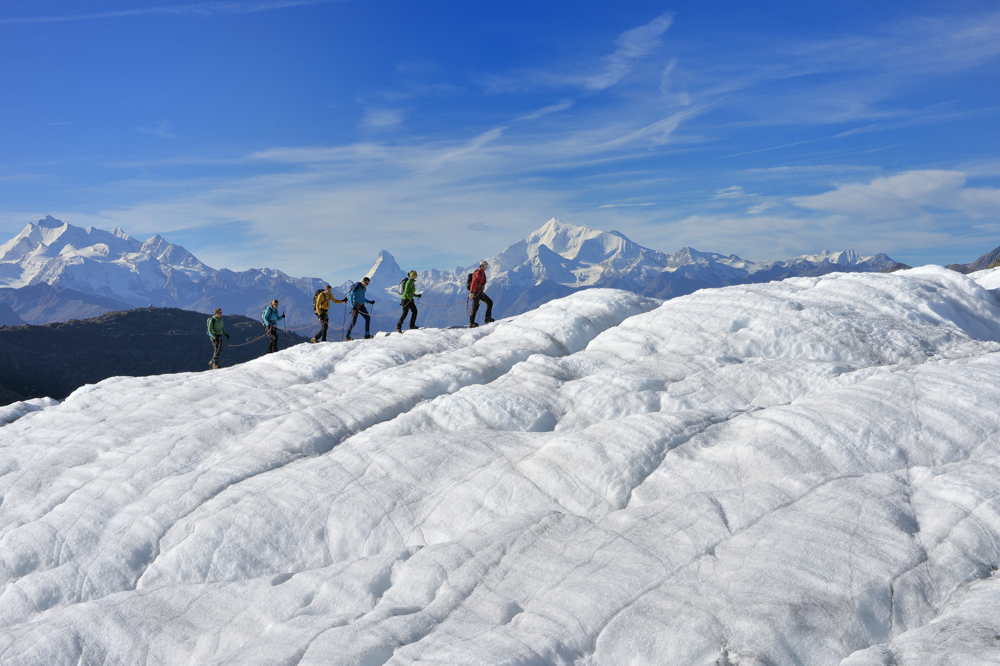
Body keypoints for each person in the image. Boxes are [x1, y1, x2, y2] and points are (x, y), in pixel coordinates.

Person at [468, 260, 495, 328]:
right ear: (482, 266)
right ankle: (471, 323)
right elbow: (473, 282)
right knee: (475, 307)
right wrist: (471, 292)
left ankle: (487, 318)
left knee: (489, 302)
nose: (486, 267)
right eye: (485, 266)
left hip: (480, 292)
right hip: (476, 292)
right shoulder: (478, 273)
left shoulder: (482, 272)